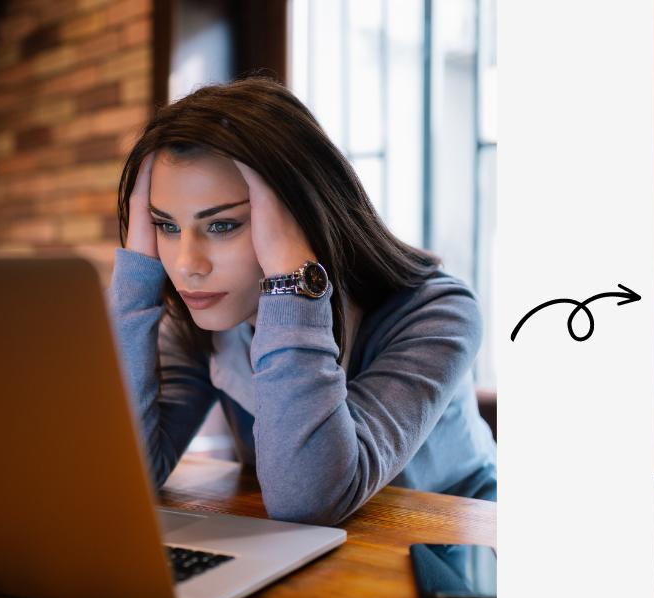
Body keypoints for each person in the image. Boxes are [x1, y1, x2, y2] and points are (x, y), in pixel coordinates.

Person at [110, 77, 497, 526]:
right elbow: (122, 475)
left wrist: (294, 283)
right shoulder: (203, 315)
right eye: (166, 226)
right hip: (321, 559)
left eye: (222, 226)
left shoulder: (439, 312)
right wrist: (135, 280)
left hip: (456, 547)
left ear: (302, 215)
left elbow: (308, 500)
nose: (186, 265)